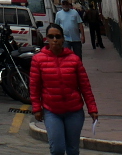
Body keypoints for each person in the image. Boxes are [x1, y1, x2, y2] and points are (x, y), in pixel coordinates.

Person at [31, 23, 99, 155]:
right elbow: (34, 87)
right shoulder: (38, 60)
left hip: (74, 111)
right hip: (52, 111)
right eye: (51, 36)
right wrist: (37, 108)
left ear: (63, 39)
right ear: (47, 39)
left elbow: (85, 86)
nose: (54, 40)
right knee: (57, 149)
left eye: (58, 37)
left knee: (73, 149)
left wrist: (92, 109)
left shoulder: (74, 60)